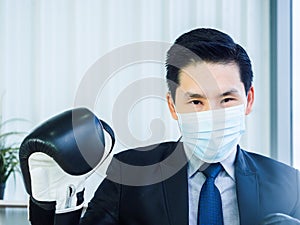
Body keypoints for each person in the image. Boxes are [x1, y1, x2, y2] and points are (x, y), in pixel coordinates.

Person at [21, 28, 300, 225]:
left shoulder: (289, 185)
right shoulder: (130, 174)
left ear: (248, 100)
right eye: (196, 101)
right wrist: (56, 203)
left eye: (227, 99)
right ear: (172, 105)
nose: (212, 113)